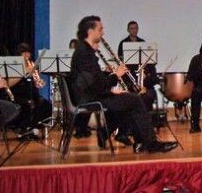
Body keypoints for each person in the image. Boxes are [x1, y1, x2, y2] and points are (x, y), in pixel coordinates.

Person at [70, 15, 176, 154]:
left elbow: (93, 82)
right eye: (100, 29)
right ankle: (150, 144)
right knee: (135, 100)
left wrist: (111, 88)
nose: (103, 32)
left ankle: (139, 142)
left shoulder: (85, 51)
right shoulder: (84, 53)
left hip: (92, 95)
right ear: (90, 32)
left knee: (131, 100)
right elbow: (93, 85)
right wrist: (116, 76)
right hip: (88, 98)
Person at [10, 43, 53, 132]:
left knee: (46, 105)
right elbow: (10, 83)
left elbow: (36, 82)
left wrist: (39, 82)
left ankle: (35, 126)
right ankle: (22, 128)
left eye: (28, 52)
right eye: (24, 53)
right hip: (18, 93)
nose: (27, 55)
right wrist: (25, 71)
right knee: (27, 105)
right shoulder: (15, 66)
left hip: (31, 93)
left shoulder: (31, 64)